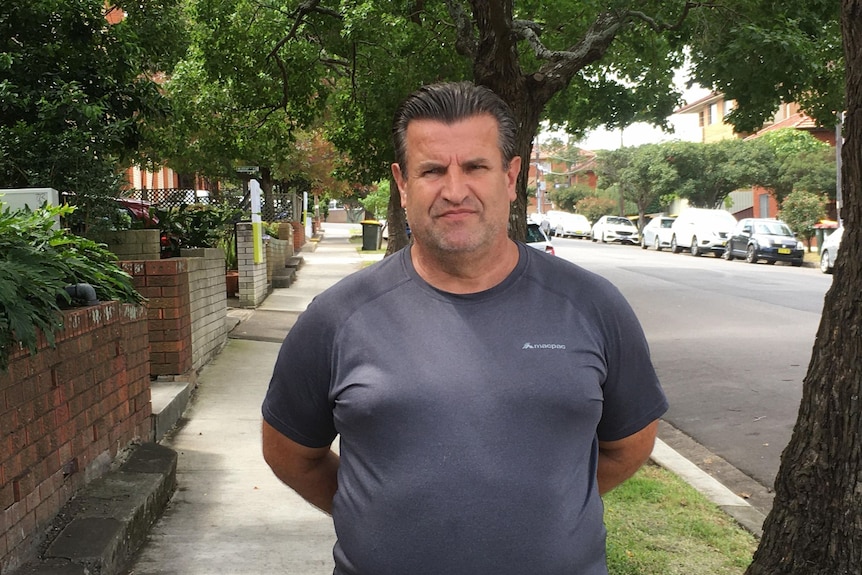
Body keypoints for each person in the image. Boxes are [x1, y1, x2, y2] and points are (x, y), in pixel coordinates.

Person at [261, 81, 668, 575]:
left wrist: (544, 509)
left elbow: (628, 445)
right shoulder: (338, 316)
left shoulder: (592, 306)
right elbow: (292, 455)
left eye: (475, 166)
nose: (455, 191)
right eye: (432, 170)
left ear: (511, 176)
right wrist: (377, 513)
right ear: (402, 183)